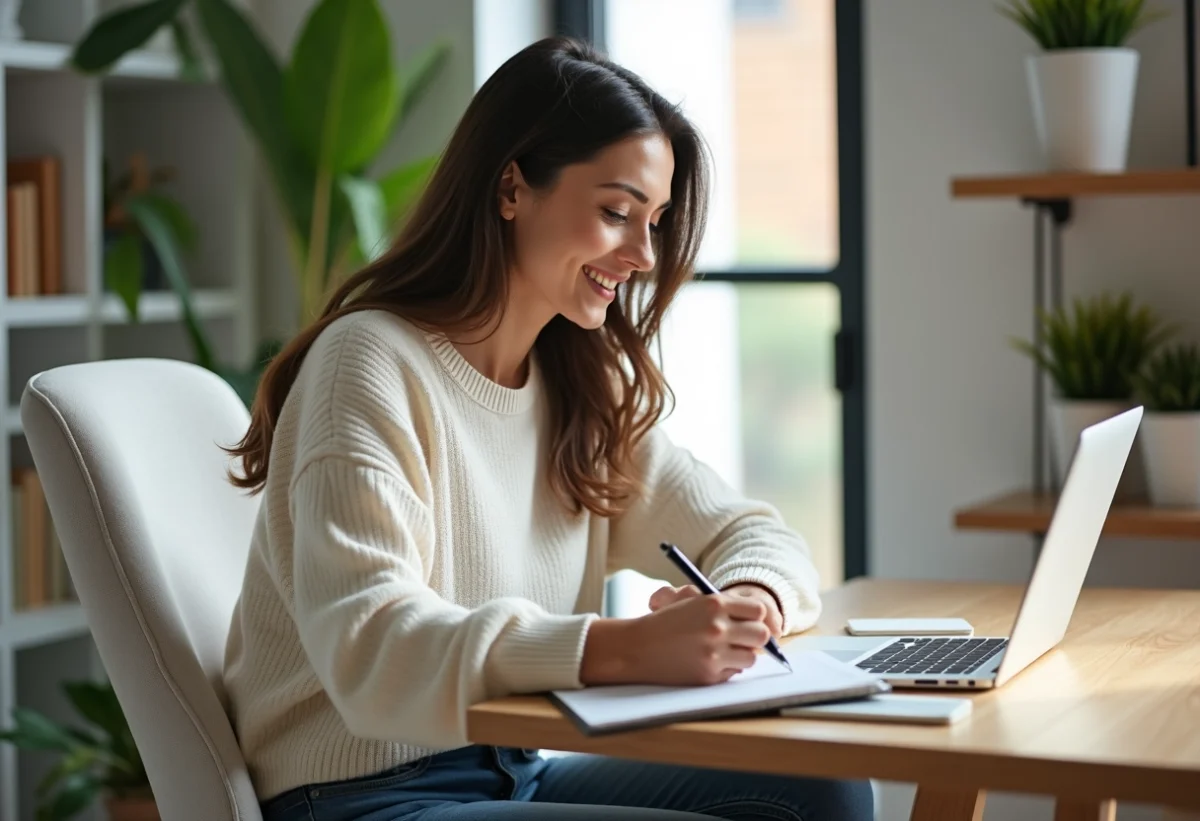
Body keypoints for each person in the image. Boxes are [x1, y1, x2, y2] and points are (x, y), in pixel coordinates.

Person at [220, 35, 873, 821]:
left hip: (511, 772)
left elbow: (753, 532)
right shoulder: (368, 362)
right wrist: (623, 647)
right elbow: (371, 649)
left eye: (655, 222)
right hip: (358, 795)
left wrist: (745, 604)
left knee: (825, 790)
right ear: (510, 188)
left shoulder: (574, 387)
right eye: (615, 213)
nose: (642, 254)